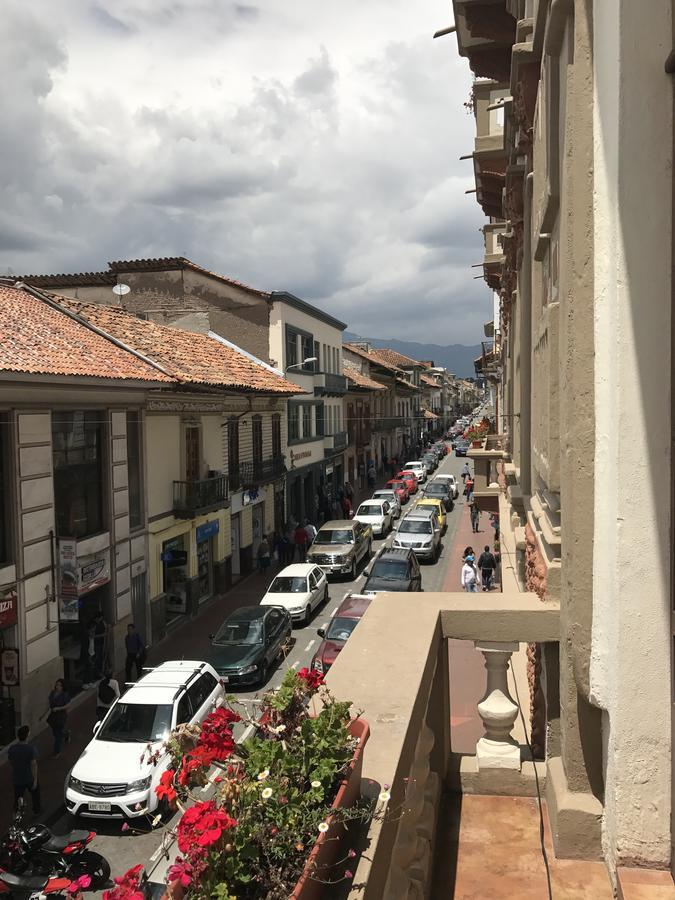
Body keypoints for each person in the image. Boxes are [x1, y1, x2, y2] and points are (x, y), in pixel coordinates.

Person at [9, 725, 41, 814]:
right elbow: (33, 765)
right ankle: (36, 810)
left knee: (18, 796)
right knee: (35, 794)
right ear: (27, 735)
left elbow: (11, 762)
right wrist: (35, 780)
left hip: (17, 778)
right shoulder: (31, 749)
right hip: (29, 778)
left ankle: (17, 812)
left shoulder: (12, 749)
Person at [45, 679, 71, 758]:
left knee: (57, 734)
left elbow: (68, 705)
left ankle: (57, 751)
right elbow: (49, 704)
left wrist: (58, 708)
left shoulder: (64, 695)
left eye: (60, 685)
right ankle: (66, 734)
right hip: (53, 715)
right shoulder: (53, 693)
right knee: (55, 732)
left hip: (61, 715)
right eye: (57, 685)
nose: (58, 687)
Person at [92, 611, 108, 677]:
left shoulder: (102, 623)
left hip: (100, 643)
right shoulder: (94, 624)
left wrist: (97, 636)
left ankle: (100, 672)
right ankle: (97, 673)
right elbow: (92, 634)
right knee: (97, 658)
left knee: (100, 658)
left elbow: (106, 632)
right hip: (95, 643)